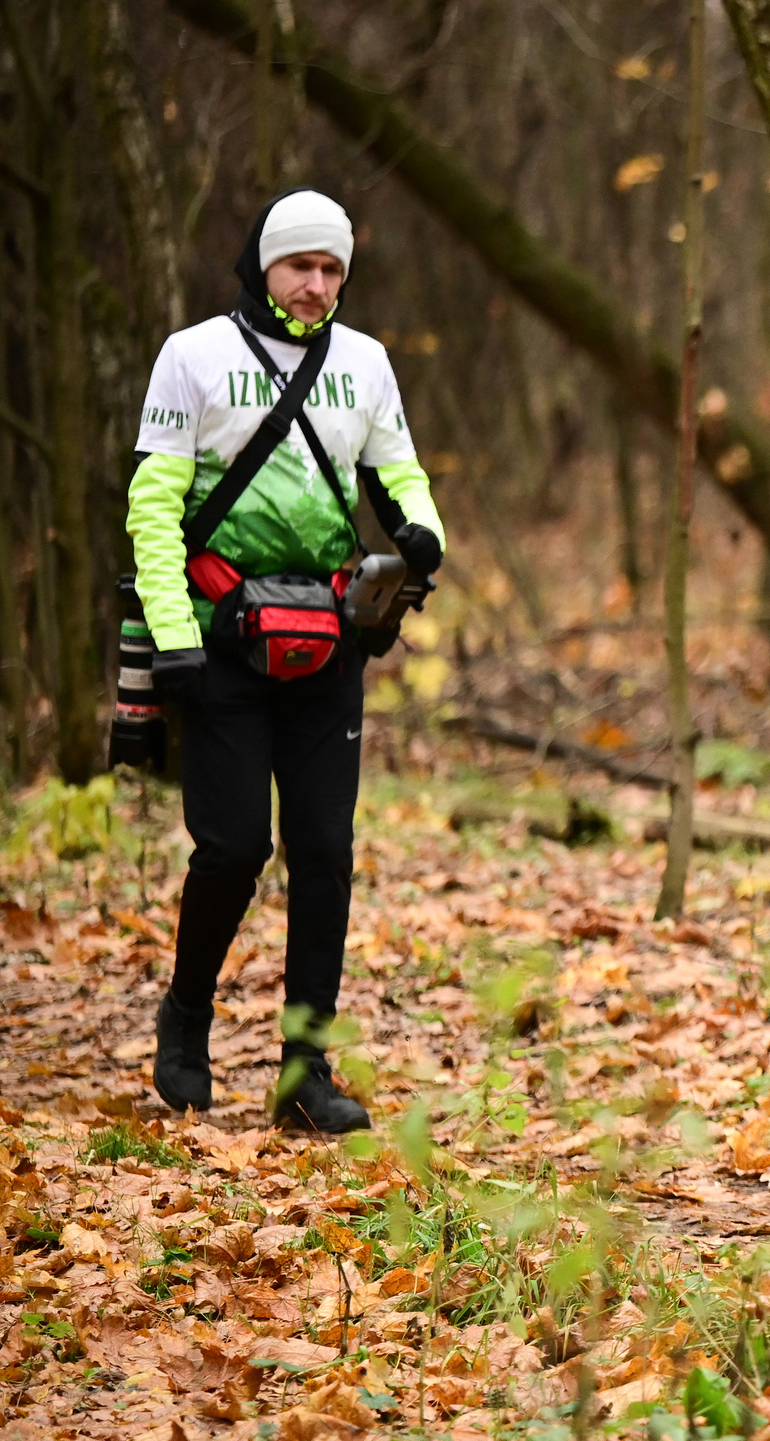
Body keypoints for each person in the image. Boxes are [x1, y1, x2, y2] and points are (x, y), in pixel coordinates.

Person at [133, 188, 447, 1134]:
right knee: (233, 848)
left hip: (329, 644)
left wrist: (421, 535)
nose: (316, 284)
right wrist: (173, 640)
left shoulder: (366, 363)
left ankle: (304, 1072)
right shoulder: (193, 356)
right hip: (218, 642)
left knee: (323, 853)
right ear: (263, 264)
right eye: (300, 265)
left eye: (332, 269)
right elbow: (153, 507)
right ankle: (186, 1015)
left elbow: (399, 474)